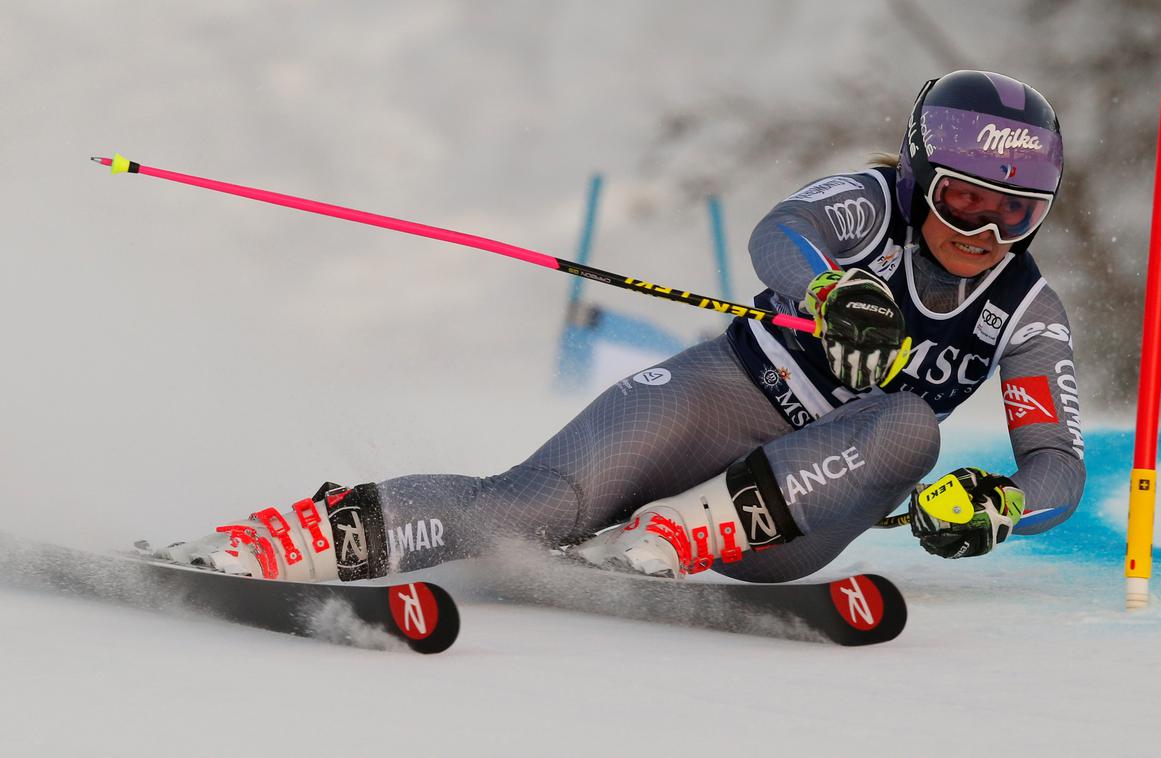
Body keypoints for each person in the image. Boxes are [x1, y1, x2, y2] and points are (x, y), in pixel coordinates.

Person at [157, 70, 1086, 584]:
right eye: (965, 200)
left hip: (797, 517)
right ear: (924, 178)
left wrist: (1005, 506)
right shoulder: (870, 204)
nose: (985, 232)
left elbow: (1058, 466)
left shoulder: (1026, 312)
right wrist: (827, 293)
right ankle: (294, 542)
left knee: (911, 427)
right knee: (529, 505)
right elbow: (782, 236)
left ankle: (691, 531)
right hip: (723, 398)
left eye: (1016, 211)